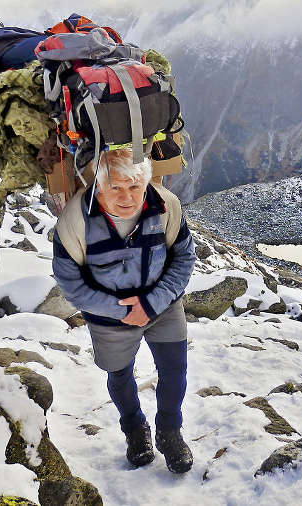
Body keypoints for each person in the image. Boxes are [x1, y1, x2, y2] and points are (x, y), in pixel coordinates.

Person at [51, 148, 196, 473]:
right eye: (115, 187)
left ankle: (169, 432)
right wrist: (121, 310)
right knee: (119, 375)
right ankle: (134, 428)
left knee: (174, 370)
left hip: (161, 302)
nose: (127, 197)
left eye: (135, 187)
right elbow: (71, 284)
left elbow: (184, 256)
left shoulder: (165, 206)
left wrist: (150, 304)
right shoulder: (75, 222)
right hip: (109, 314)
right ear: (99, 186)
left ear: (146, 183)